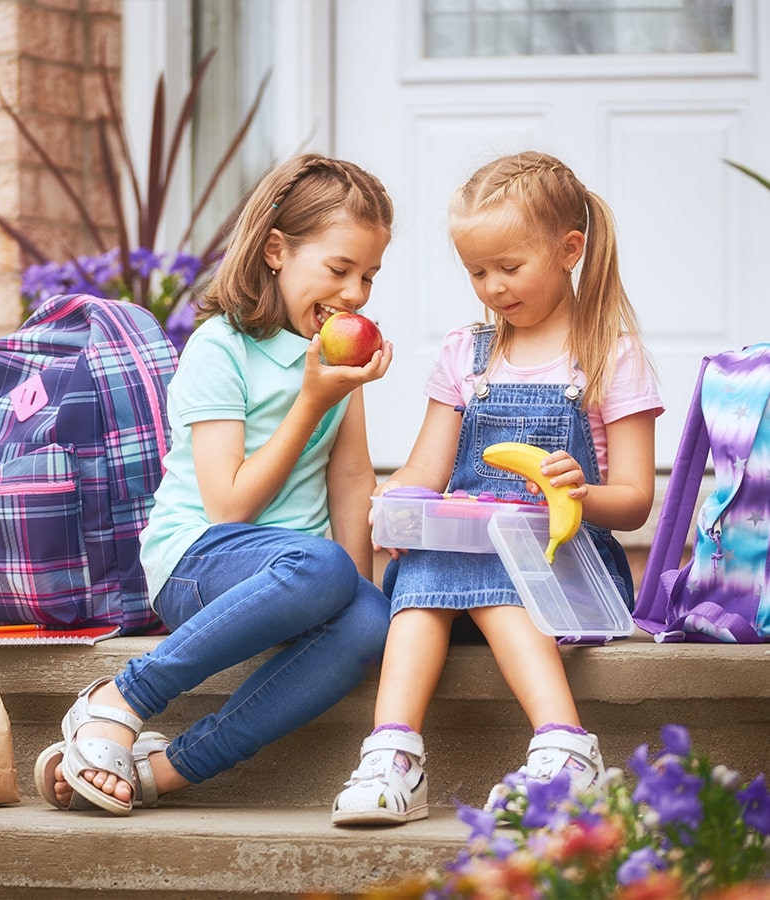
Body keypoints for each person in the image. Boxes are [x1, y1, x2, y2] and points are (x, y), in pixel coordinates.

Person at [34, 152, 395, 815]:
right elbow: (229, 505)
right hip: (199, 564)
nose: (356, 294)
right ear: (277, 250)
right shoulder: (220, 347)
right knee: (322, 564)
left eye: (369, 276)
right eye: (340, 269)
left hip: (300, 582)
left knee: (371, 615)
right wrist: (312, 401)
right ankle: (120, 698)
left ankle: (166, 771)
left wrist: (359, 593)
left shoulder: (335, 360)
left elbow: (351, 479)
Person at [331, 150, 663, 826]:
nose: (492, 287)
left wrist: (582, 492)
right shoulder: (465, 353)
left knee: (495, 558)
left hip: (565, 573)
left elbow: (633, 502)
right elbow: (425, 473)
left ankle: (567, 747)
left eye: (510, 268)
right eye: (476, 271)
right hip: (463, 561)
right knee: (440, 554)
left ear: (570, 249)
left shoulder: (609, 355)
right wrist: (397, 508)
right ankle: (393, 755)